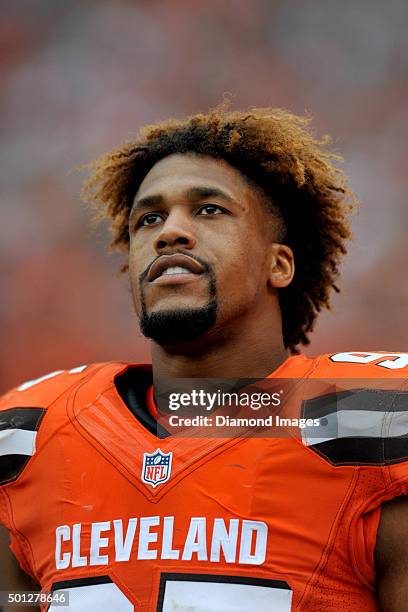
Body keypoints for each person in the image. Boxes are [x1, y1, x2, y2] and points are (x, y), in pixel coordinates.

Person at [0, 106, 407, 611]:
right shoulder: (30, 436)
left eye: (209, 209)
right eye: (149, 218)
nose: (169, 231)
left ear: (278, 265)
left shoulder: (370, 423)